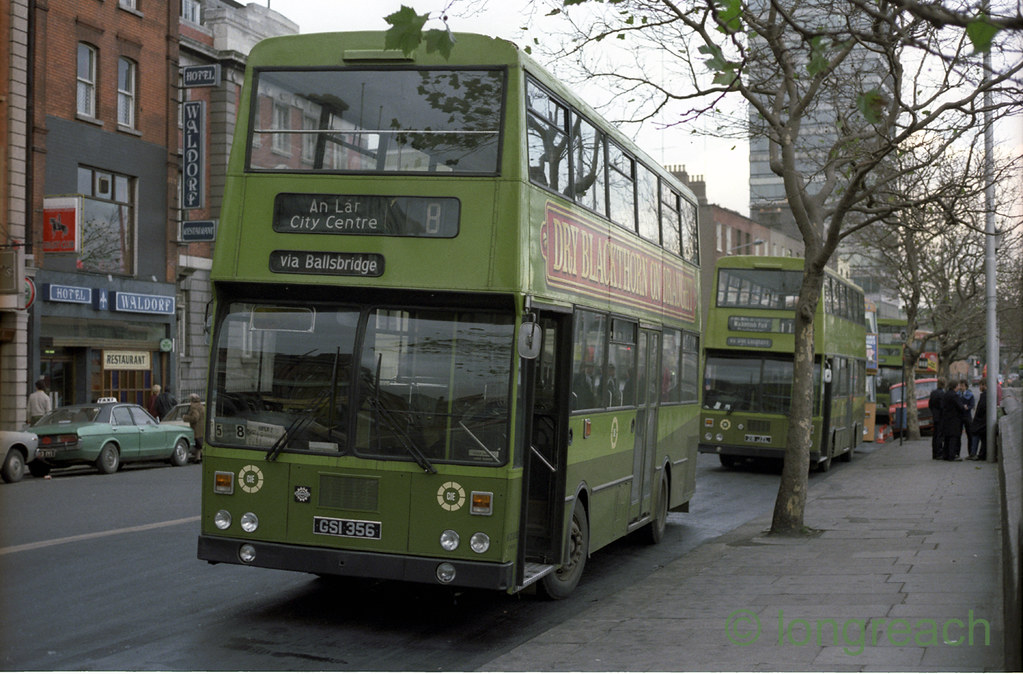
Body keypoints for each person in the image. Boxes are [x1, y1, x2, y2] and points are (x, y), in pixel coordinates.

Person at [940, 379, 969, 461]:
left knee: (947, 438)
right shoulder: (954, 396)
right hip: (954, 420)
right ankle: (952, 455)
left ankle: (945, 454)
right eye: (958, 386)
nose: (959, 387)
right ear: (955, 387)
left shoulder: (945, 394)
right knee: (954, 437)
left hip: (946, 419)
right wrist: (964, 407)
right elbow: (960, 406)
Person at [968, 380, 988, 461]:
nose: (979, 387)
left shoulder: (984, 395)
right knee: (983, 438)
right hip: (984, 420)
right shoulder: (987, 394)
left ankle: (974, 453)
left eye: (980, 385)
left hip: (981, 420)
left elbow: (981, 408)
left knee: (975, 434)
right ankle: (981, 454)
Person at [182, 393, 205, 462]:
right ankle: (198, 457)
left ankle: (197, 458)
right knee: (200, 444)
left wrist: (185, 417)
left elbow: (195, 418)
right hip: (202, 428)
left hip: (196, 428)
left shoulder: (193, 407)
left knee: (197, 443)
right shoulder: (202, 406)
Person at [928, 377, 946, 459]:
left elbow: (930, 405)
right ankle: (939, 452)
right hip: (941, 417)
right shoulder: (942, 394)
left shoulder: (933, 393)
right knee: (939, 435)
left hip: (935, 416)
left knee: (935, 435)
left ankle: (934, 452)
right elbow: (942, 407)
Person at [958, 378, 975, 453]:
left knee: (970, 434)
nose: (961, 387)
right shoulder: (958, 394)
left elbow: (972, 404)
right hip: (960, 416)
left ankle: (971, 451)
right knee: (958, 435)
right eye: (960, 386)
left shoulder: (970, 395)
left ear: (966, 386)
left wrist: (968, 407)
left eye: (962, 386)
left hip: (967, 416)